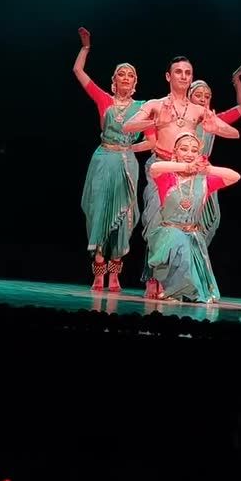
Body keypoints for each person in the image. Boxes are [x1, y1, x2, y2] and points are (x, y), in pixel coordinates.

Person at [122, 56, 241, 298]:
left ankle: (176, 282)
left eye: (188, 72)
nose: (184, 76)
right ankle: (154, 277)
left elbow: (234, 133)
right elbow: (128, 126)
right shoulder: (156, 105)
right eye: (178, 71)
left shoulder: (198, 110)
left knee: (183, 227)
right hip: (162, 167)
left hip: (189, 172)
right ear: (168, 76)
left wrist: (215, 127)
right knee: (155, 223)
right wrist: (155, 120)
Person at [73, 27, 153, 292]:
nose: (126, 78)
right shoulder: (104, 100)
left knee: (125, 216)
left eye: (131, 75)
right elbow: (78, 72)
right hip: (102, 160)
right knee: (98, 211)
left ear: (135, 83)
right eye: (122, 74)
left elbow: (152, 142)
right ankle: (98, 270)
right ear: (114, 81)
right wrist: (85, 49)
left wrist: (129, 148)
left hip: (126, 164)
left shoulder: (143, 107)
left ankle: (115, 272)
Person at [145, 133, 241, 303]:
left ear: (199, 155)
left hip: (192, 237)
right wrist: (186, 167)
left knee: (200, 290)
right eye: (184, 149)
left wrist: (207, 169)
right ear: (175, 152)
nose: (189, 153)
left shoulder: (204, 181)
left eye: (194, 150)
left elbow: (235, 176)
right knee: (177, 238)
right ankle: (174, 289)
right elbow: (154, 167)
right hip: (169, 237)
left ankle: (182, 290)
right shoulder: (167, 177)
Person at [188, 64, 241, 245]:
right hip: (183, 170)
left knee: (209, 220)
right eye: (198, 95)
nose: (203, 99)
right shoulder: (181, 118)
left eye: (207, 96)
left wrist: (236, 80)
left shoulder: (214, 120)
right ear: (189, 96)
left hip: (204, 171)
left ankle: (198, 256)